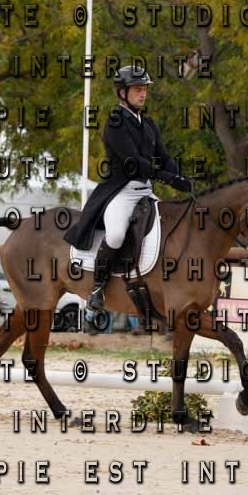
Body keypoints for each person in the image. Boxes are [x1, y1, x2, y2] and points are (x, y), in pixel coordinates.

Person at [63, 65, 193, 318]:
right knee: (115, 235)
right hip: (121, 191)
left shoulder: (149, 124)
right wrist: (165, 177)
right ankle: (97, 288)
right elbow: (134, 162)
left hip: (146, 192)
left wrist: (179, 177)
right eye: (137, 90)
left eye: (144, 89)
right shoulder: (115, 123)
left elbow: (163, 157)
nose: (143, 94)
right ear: (122, 93)